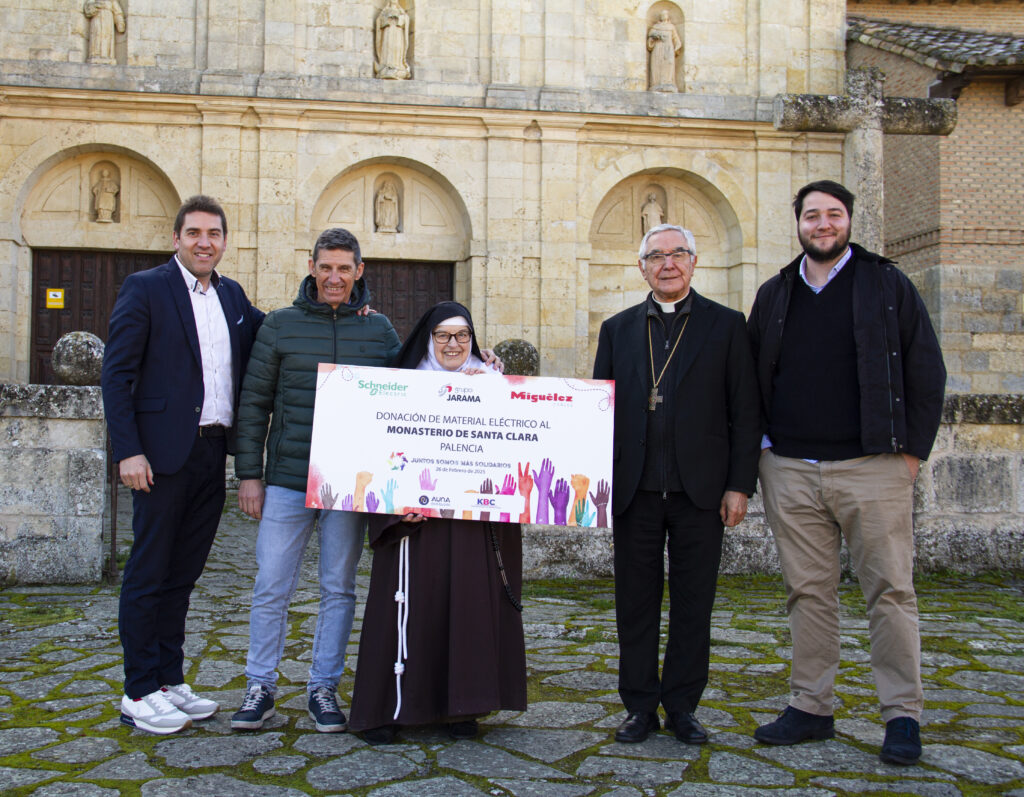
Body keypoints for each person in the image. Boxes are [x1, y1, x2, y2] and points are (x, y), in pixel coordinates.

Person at [747, 180, 946, 765]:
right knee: (808, 592)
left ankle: (902, 716)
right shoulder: (776, 291)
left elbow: (925, 369)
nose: (823, 224)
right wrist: (761, 454)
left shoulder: (886, 284)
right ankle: (811, 706)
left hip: (872, 467)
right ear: (799, 223)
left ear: (849, 221)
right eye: (813, 215)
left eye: (833, 214)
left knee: (890, 591)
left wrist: (909, 456)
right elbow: (756, 375)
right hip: (790, 468)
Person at [101, 195, 264, 734]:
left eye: (213, 234)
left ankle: (169, 678)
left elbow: (282, 332)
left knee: (183, 574)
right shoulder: (145, 288)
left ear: (223, 241)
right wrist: (128, 449)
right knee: (148, 573)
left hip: (212, 453)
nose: (204, 242)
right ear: (176, 238)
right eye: (194, 232)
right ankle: (138, 689)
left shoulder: (234, 297)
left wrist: (349, 306)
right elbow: (117, 375)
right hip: (159, 457)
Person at [593, 224, 760, 745]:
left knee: (694, 603)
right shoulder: (618, 329)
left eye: (678, 254)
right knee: (635, 603)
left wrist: (740, 485)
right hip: (635, 490)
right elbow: (600, 411)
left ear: (694, 261)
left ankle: (683, 705)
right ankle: (639, 706)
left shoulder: (728, 326)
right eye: (656, 256)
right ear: (641, 267)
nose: (668, 264)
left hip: (701, 491)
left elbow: (745, 411)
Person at [230, 228, 402, 733]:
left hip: (349, 485)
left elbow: (415, 389)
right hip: (286, 478)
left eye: (343, 268)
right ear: (312, 266)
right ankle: (259, 686)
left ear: (359, 272)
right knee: (270, 585)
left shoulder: (380, 331)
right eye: (325, 267)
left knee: (338, 587)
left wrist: (482, 367)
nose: (334, 277)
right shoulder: (280, 326)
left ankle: (323, 688)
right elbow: (255, 403)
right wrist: (249, 476)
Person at [348, 301, 527, 745]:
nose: (453, 345)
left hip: (471, 526)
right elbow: (376, 446)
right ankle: (388, 709)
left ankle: (461, 707)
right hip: (417, 524)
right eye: (443, 336)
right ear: (429, 340)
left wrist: (490, 388)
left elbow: (517, 443)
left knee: (467, 608)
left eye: (462, 336)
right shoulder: (405, 386)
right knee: (407, 609)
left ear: (473, 341)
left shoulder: (491, 384)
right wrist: (392, 504)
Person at [374, 0, 411, 80]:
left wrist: (399, 19)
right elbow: (379, 20)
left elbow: (406, 19)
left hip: (398, 33)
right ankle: (386, 66)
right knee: (388, 47)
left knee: (397, 48)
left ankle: (397, 66)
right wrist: (387, 20)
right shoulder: (385, 11)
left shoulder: (401, 12)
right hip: (388, 32)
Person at [647, 10, 681, 92]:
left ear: (667, 16)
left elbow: (676, 38)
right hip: (658, 48)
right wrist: (655, 36)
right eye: (662, 15)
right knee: (657, 64)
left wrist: (677, 46)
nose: (664, 16)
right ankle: (656, 83)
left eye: (665, 14)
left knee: (669, 63)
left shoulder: (671, 27)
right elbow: (650, 38)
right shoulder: (656, 26)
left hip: (668, 47)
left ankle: (668, 82)